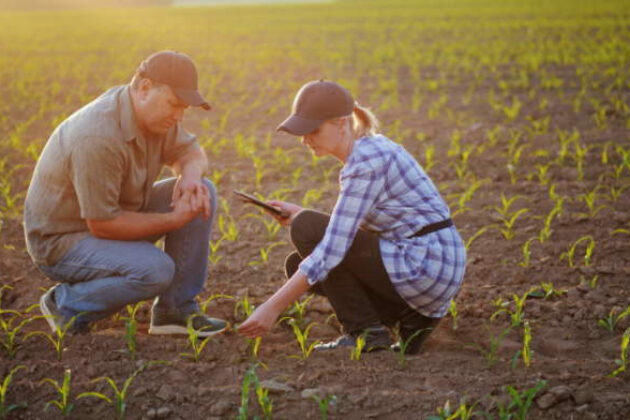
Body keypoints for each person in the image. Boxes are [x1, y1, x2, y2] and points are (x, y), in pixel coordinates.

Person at [238, 80, 466, 354]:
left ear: (342, 123)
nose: (305, 139)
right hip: (434, 268)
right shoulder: (373, 149)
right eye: (302, 131)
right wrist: (298, 213)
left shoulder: (365, 163)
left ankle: (365, 333)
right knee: (298, 259)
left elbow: (333, 249)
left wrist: (270, 308)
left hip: (424, 265)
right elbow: (357, 227)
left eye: (313, 129)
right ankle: (410, 319)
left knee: (307, 229)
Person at [24, 50, 228, 336]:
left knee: (202, 190)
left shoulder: (154, 117)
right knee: (155, 270)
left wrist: (190, 177)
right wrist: (174, 220)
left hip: (113, 217)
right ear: (144, 88)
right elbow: (103, 224)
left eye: (185, 108)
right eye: (174, 104)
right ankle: (66, 305)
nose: (179, 115)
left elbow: (189, 151)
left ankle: (175, 311)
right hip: (64, 241)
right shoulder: (97, 137)